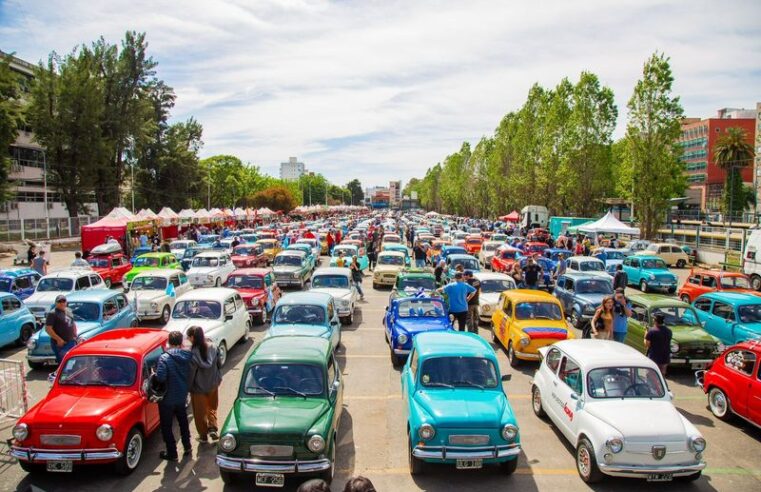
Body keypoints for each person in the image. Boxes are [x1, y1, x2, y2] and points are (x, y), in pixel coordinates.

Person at [156, 331, 193, 461]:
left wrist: (154, 373)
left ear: (169, 342)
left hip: (167, 398)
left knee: (167, 426)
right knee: (183, 422)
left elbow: (161, 377)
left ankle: (172, 452)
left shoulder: (164, 358)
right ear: (181, 342)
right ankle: (187, 446)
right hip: (181, 395)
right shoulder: (187, 356)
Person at [187, 326, 223, 442]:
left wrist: (188, 387)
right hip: (213, 384)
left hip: (198, 388)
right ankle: (212, 427)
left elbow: (191, 373)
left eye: (189, 337)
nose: (188, 339)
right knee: (212, 407)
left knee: (199, 413)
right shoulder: (213, 347)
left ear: (193, 337)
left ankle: (203, 435)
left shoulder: (192, 354)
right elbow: (219, 364)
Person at [45, 295, 77, 363]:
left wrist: (75, 335)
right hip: (62, 344)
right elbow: (48, 329)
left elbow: (72, 323)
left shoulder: (68, 310)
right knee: (63, 364)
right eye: (59, 301)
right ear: (56, 303)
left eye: (63, 301)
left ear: (66, 302)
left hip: (71, 342)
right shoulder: (52, 313)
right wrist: (59, 340)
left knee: (72, 363)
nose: (62, 303)